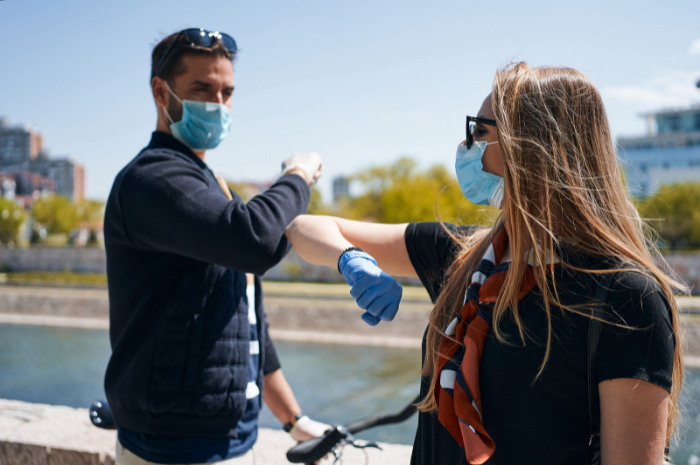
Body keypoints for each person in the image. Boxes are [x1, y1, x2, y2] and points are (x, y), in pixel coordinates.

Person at [285, 62, 685, 465]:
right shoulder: (461, 255)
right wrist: (349, 259)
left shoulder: (625, 295)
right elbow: (303, 228)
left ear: (533, 147)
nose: (466, 146)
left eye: (480, 131)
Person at [103, 28, 328, 465]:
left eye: (227, 92)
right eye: (202, 89)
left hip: (232, 437)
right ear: (160, 91)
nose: (218, 104)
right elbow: (255, 241)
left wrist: (292, 419)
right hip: (172, 447)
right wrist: (297, 176)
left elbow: (246, 324)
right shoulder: (152, 180)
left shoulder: (209, 188)